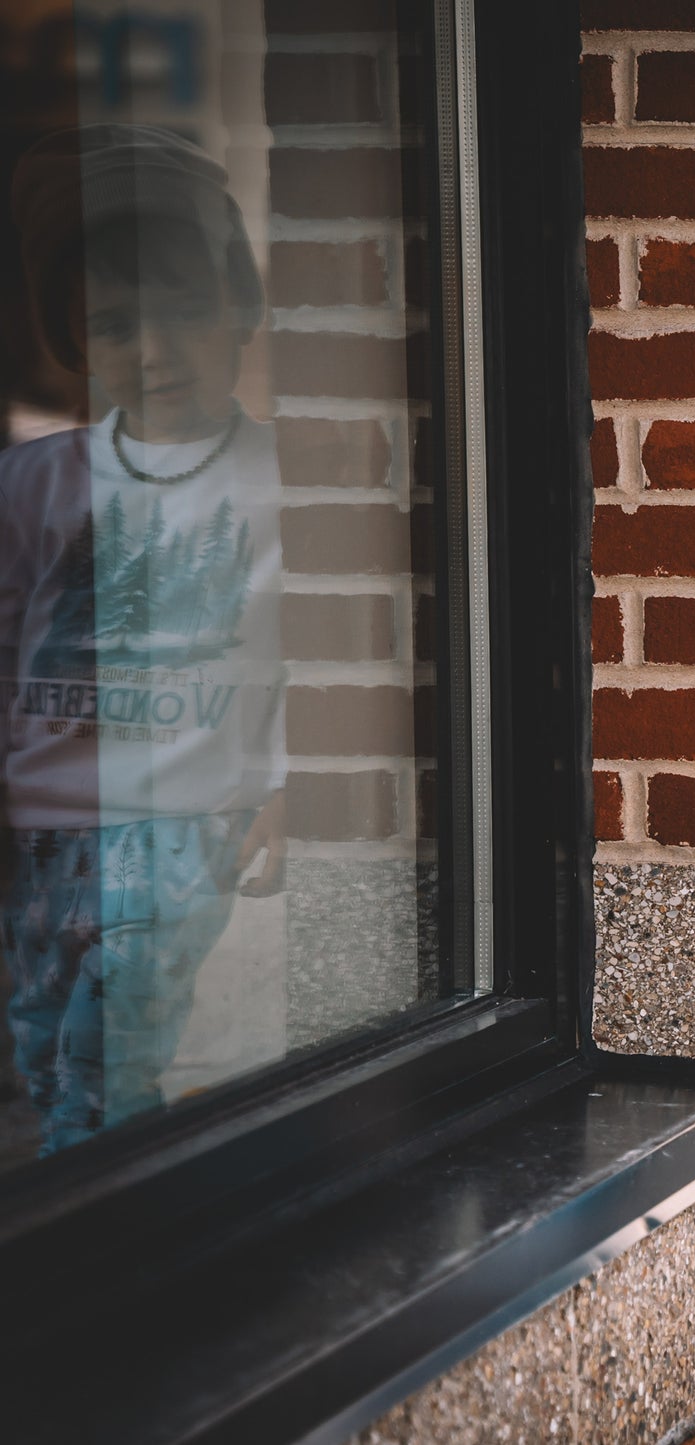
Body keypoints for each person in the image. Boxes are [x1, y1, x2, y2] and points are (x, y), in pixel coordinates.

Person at [0, 125, 285, 1158]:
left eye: (181, 315)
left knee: (101, 1058)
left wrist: (290, 781)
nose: (153, 351)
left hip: (178, 823)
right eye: (115, 327)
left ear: (239, 310)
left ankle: (114, 1225)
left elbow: (313, 650)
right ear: (76, 341)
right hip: (39, 828)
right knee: (38, 1046)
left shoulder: (276, 480)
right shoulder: (36, 481)